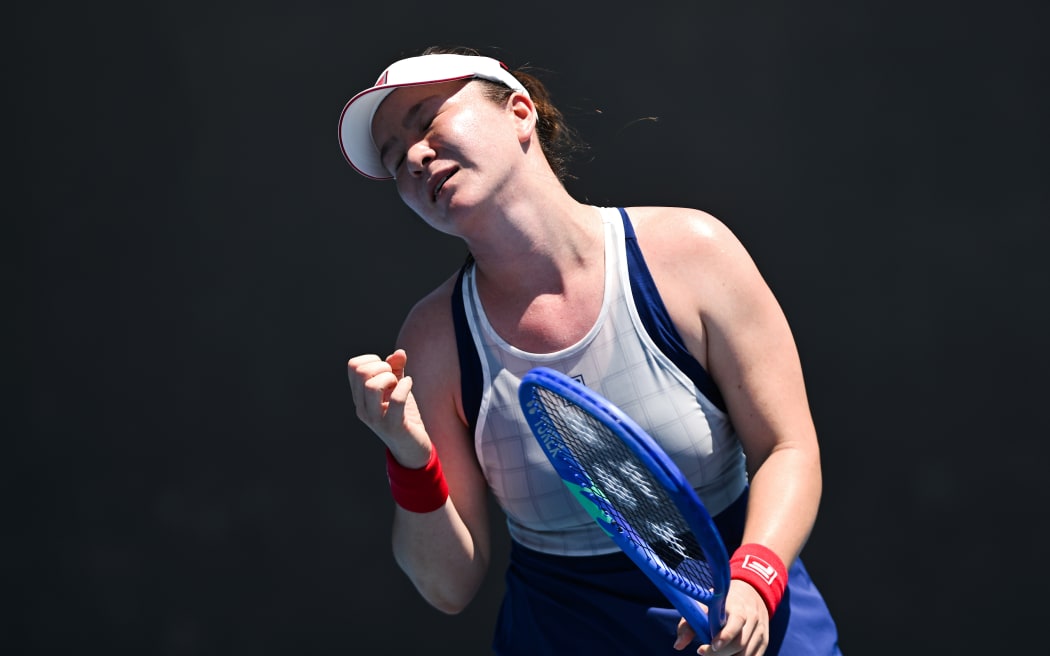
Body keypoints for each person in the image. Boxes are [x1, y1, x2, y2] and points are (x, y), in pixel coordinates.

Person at [341, 46, 841, 655]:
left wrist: (754, 577)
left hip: (756, 624)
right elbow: (447, 587)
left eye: (426, 121)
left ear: (519, 111)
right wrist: (410, 458)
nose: (415, 158)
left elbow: (787, 447)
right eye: (395, 161)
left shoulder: (693, 251)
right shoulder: (430, 340)